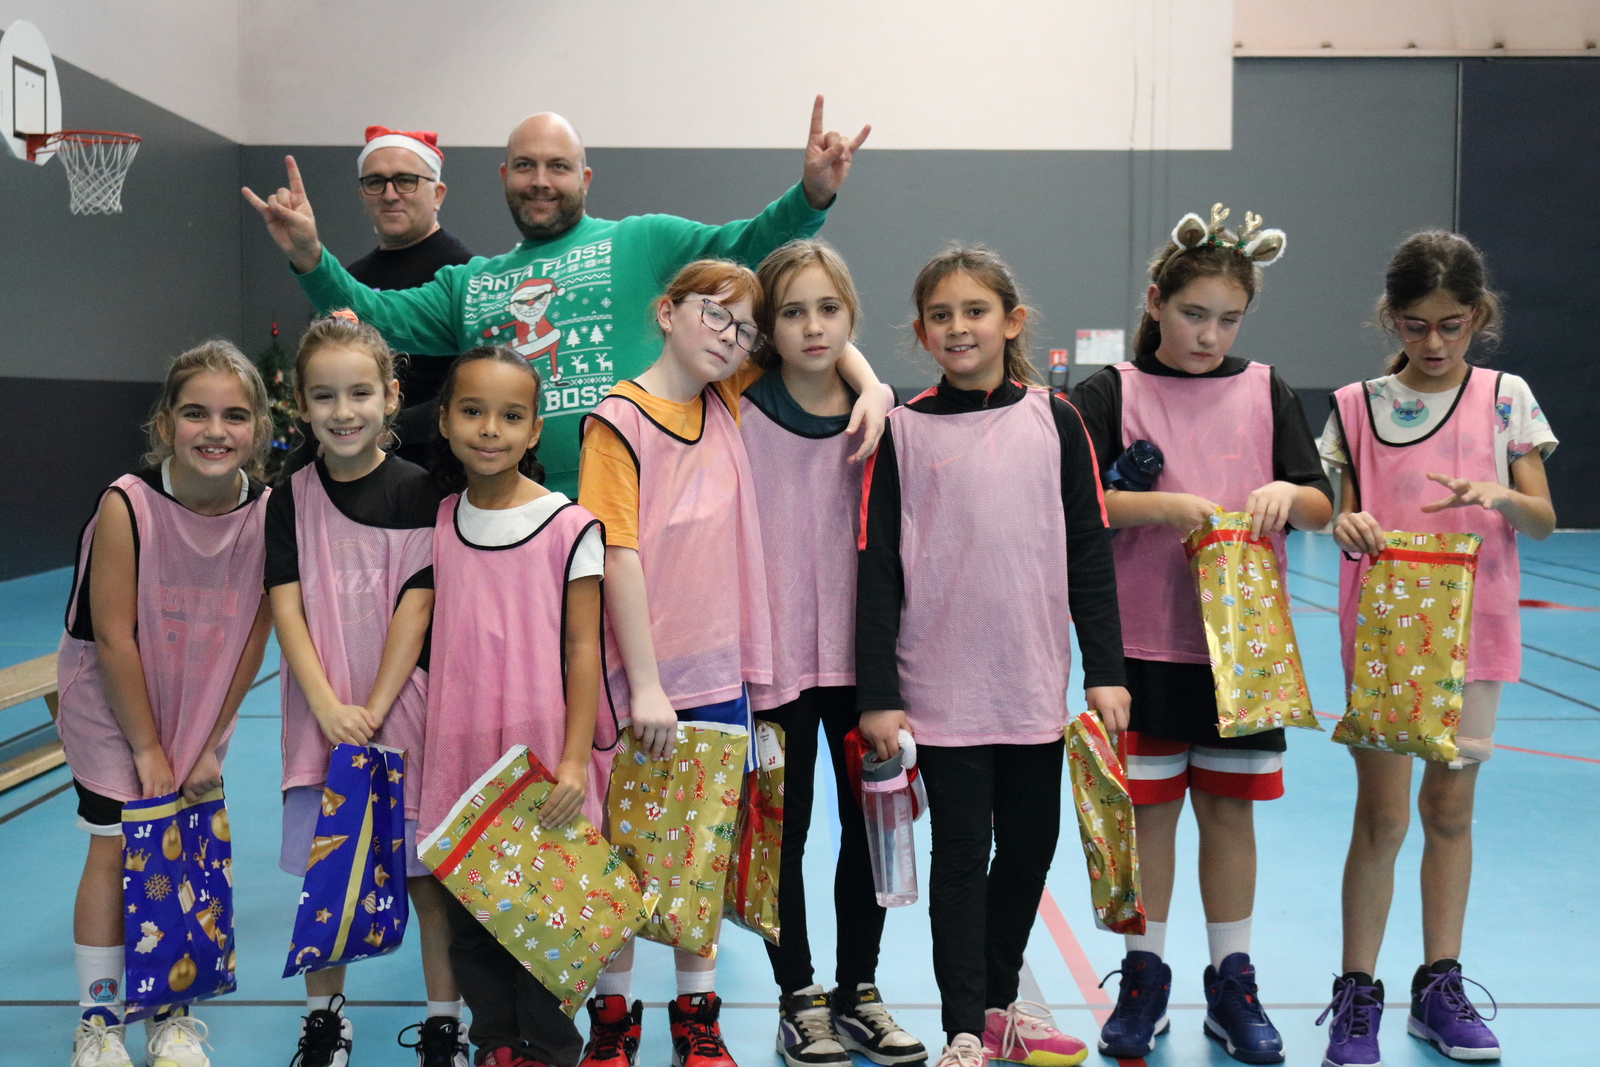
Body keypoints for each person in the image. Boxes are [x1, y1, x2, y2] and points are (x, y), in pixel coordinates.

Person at [575, 258, 886, 1067]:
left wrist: (875, 386)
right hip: (646, 681)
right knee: (625, 852)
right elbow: (617, 552)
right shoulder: (629, 417)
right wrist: (645, 682)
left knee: (701, 856)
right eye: (715, 315)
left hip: (725, 677)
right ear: (666, 309)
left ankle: (700, 1016)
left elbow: (820, 339)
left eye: (743, 327)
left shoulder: (725, 392)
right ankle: (614, 1016)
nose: (730, 336)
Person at [244, 98, 871, 496]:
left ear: (585, 178)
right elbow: (372, 313)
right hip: (511, 517)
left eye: (558, 166)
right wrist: (309, 255)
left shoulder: (643, 240)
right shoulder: (468, 283)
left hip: (640, 502)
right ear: (504, 177)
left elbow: (748, 244)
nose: (540, 181)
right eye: (525, 166)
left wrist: (811, 195)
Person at [856, 247, 1131, 1067]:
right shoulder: (901, 431)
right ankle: (965, 1029)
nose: (958, 327)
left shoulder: (1057, 420)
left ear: (1011, 322)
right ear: (920, 333)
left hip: (1032, 687)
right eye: (940, 316)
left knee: (1031, 847)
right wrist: (879, 693)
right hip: (940, 692)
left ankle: (1000, 1002)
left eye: (975, 311)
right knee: (959, 859)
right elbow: (877, 567)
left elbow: (1089, 549)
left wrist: (1106, 669)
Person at [1072, 205, 1331, 1065]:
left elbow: (1320, 503)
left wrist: (1290, 496)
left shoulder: (1267, 390)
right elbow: (1078, 505)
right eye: (1192, 314)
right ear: (1155, 301)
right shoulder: (1109, 393)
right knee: (1149, 815)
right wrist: (1162, 506)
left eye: (1228, 319)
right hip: (1141, 648)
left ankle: (1232, 981)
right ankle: (1143, 977)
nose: (1209, 334)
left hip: (1242, 651)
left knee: (1228, 811)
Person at [1315, 231, 1557, 1067]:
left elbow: (1542, 518)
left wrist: (1500, 493)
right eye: (1416, 325)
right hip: (1386, 633)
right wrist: (1345, 522)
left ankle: (1438, 988)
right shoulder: (1355, 406)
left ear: (1477, 317)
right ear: (1392, 318)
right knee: (1381, 817)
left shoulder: (1505, 398)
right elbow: (1342, 512)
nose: (1434, 342)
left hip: (1474, 632)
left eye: (1451, 325)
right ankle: (1356, 994)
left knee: (1448, 812)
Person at [56, 342, 275, 1067]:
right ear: (164, 425)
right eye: (195, 413)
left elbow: (255, 636)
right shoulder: (127, 505)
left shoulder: (267, 513)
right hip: (112, 701)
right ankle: (98, 1021)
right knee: (117, 843)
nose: (215, 430)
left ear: (259, 428)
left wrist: (210, 739)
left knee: (183, 844)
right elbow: (113, 637)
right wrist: (147, 747)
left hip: (197, 702)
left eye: (234, 415)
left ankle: (170, 1011)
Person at [263, 312, 465, 1067]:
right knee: (330, 881)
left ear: (390, 397)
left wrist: (375, 708)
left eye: (358, 393)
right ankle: (325, 1023)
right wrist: (327, 707)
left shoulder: (422, 492)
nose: (342, 411)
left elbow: (417, 606)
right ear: (302, 404)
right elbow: (286, 606)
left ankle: (444, 1026)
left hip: (403, 719)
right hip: (325, 723)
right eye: (324, 396)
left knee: (429, 889)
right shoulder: (289, 497)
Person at [740, 240, 924, 1067]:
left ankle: (860, 989)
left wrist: (873, 387)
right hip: (772, 665)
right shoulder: (736, 407)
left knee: (869, 828)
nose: (813, 327)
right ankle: (797, 996)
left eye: (829, 309)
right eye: (792, 311)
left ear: (851, 314)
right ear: (767, 325)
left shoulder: (881, 420)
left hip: (864, 668)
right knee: (783, 833)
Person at [419, 346, 611, 1067]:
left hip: (541, 756)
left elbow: (584, 650)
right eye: (472, 411)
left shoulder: (569, 526)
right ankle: (496, 1043)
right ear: (445, 420)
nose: (489, 429)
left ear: (534, 430)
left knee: (547, 915)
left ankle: (551, 1051)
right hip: (462, 750)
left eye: (509, 415)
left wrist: (573, 759)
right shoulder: (440, 519)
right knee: (473, 917)